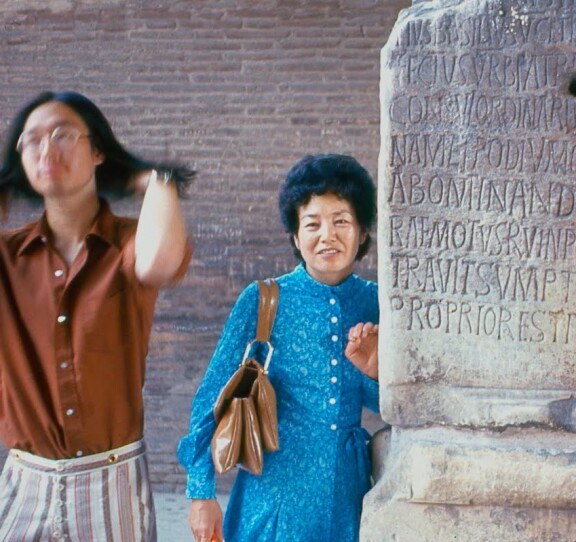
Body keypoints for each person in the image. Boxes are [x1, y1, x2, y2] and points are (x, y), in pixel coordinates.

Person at [0, 90, 195, 541]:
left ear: (98, 150)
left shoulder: (129, 243)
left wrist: (157, 180)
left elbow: (159, 263)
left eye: (63, 134)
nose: (47, 149)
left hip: (110, 481)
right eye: (30, 140)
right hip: (24, 479)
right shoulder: (8, 257)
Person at [179, 153, 381, 542]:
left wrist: (374, 373)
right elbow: (210, 400)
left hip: (348, 499)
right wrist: (200, 491)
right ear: (295, 235)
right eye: (312, 224)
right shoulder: (264, 299)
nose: (328, 235)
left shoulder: (376, 302)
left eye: (341, 221)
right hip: (273, 495)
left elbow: (385, 403)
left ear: (362, 232)